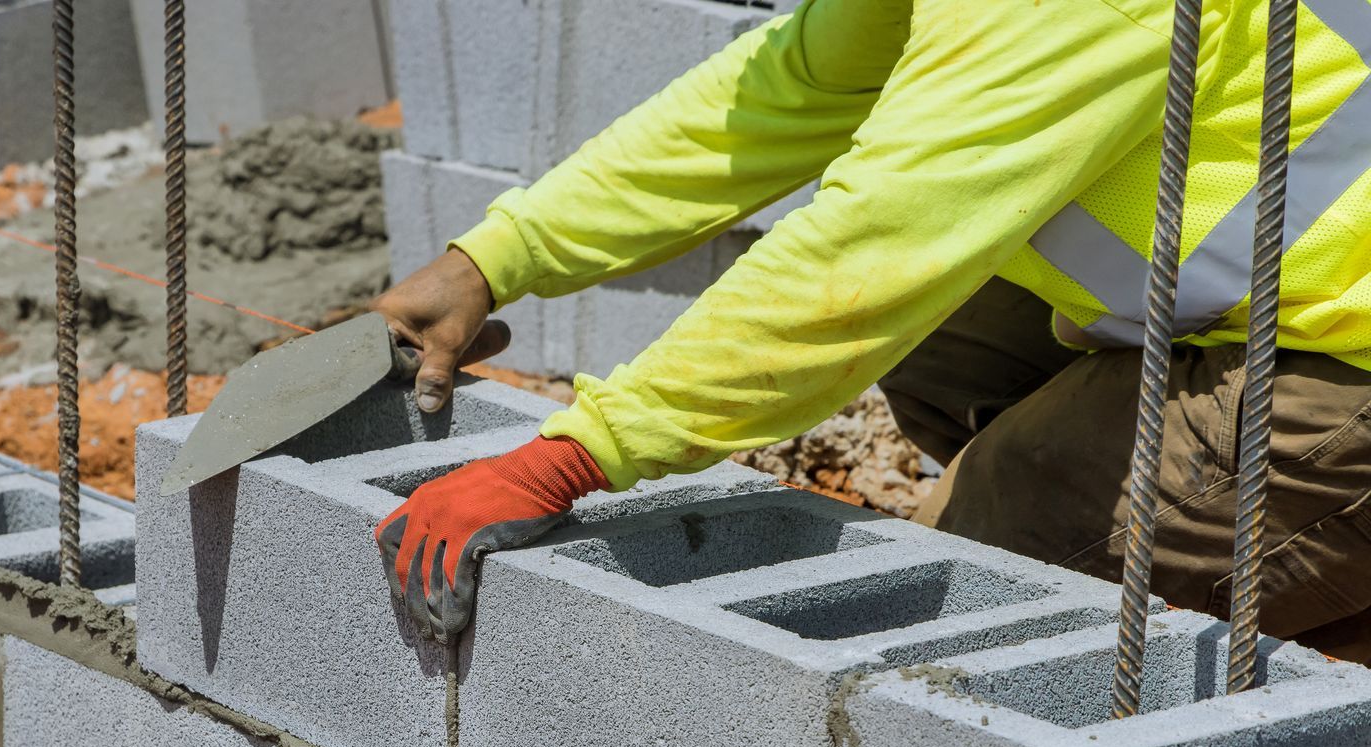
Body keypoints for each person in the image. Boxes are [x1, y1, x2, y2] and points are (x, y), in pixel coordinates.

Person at [370, 0, 1371, 659]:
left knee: (983, 570)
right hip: (1291, 299)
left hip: (1347, 366)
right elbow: (783, 94)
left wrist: (577, 455)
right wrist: (495, 258)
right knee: (951, 347)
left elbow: (874, 245)